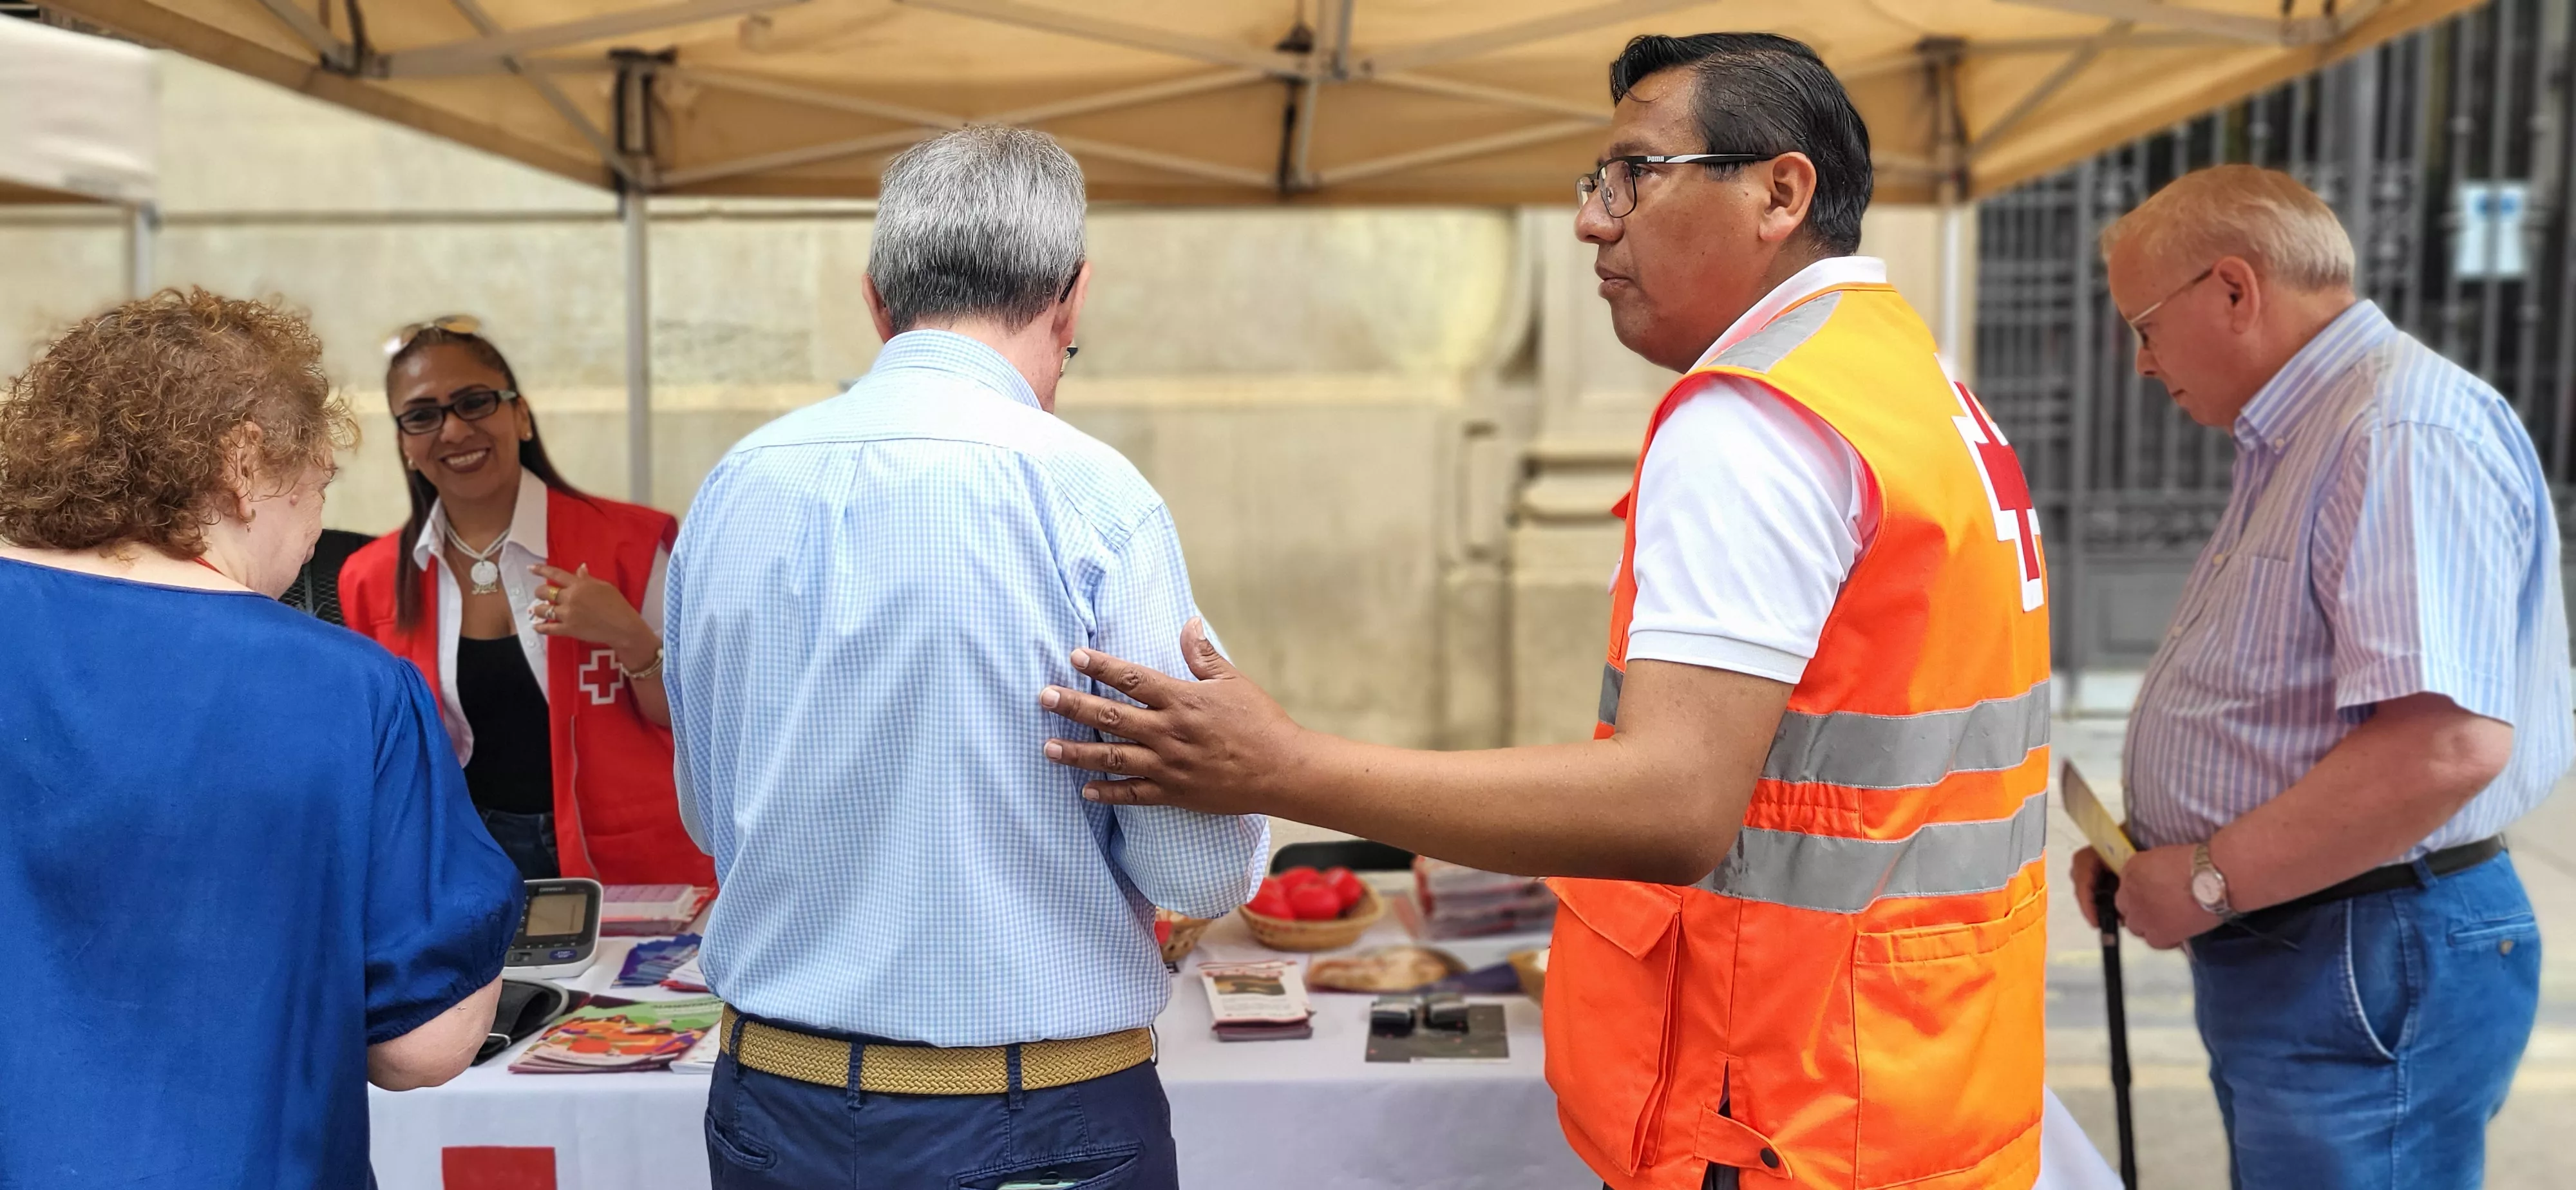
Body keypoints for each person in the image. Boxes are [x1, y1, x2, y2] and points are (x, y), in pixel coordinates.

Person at [1033, 33, 2052, 1190]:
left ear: (1781, 190)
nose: (1593, 223)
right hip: (1921, 1079)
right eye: (1594, 184)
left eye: (1634, 175)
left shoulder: (1756, 422)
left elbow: (1675, 801)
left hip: (1781, 1108)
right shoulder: (1916, 389)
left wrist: (1285, 764)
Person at [664, 126, 1267, 1190]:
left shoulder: (734, 484)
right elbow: (1198, 868)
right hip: (1033, 1112)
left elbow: (715, 816)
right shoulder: (1095, 498)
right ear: (1073, 298)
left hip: (777, 1098)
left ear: (874, 298)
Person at [2072, 165, 2564, 1189]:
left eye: (2146, 326)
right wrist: (2158, 853)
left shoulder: (2396, 431)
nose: (2141, 364)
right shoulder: (2320, 430)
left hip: (2370, 938)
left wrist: (2210, 878)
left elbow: (2445, 747)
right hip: (2331, 936)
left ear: (2235, 290)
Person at [0, 289, 522, 1185]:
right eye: (317, 486)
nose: (315, 525)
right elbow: (423, 1046)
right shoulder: (346, 687)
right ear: (244, 465)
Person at [341, 319, 712, 886]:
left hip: (625, 865)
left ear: (520, 414)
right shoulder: (370, 581)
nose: (454, 430)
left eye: (475, 402)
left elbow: (700, 723)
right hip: (464, 866)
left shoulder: (631, 545)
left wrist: (630, 639)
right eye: (423, 415)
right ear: (404, 444)